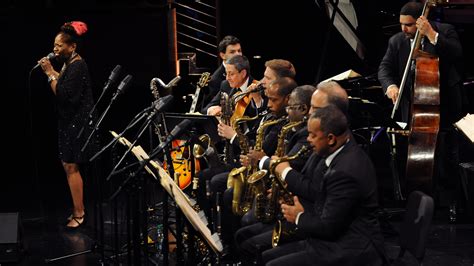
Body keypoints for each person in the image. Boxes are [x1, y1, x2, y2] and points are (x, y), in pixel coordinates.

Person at [264, 105, 385, 265]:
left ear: (330, 139)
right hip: (334, 237)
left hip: (349, 248)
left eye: (313, 135)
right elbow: (325, 199)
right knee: (266, 257)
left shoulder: (345, 171)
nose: (308, 139)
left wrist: (298, 216)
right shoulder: (341, 152)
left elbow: (328, 227)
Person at [378, 1, 465, 209]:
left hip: (445, 105)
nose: (403, 29)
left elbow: (457, 53)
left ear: (421, 21)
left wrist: (431, 35)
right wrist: (390, 86)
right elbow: (384, 68)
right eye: (401, 24)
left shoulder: (444, 31)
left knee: (447, 157)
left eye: (408, 25)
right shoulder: (397, 41)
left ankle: (451, 202)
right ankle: (419, 197)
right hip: (415, 107)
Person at [38, 21, 94, 229]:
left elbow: (62, 95)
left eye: (59, 46)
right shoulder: (70, 63)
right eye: (54, 45)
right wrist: (55, 73)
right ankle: (77, 209)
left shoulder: (78, 65)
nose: (55, 49)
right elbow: (63, 86)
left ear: (72, 47)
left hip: (77, 123)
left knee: (71, 165)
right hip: (69, 121)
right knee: (68, 165)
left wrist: (49, 72)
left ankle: (79, 213)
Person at [201, 35, 243, 108]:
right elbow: (211, 107)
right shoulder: (215, 80)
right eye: (232, 52)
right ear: (223, 55)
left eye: (239, 51)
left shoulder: (244, 70)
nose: (238, 54)